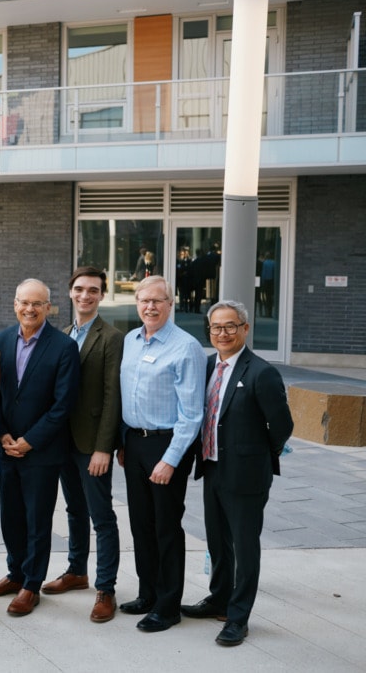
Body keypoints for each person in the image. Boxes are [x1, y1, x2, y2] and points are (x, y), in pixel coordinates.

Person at [181, 301, 294, 647]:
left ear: (245, 328)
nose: (223, 333)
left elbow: (282, 425)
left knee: (245, 549)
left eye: (230, 326)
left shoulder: (261, 372)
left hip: (246, 475)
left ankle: (238, 616)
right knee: (217, 541)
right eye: (216, 327)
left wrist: (258, 454)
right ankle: (219, 598)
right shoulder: (207, 365)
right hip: (212, 467)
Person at [0, 279, 79, 617]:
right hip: (8, 447)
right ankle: (16, 574)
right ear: (15, 304)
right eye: (24, 302)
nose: (30, 309)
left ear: (48, 307)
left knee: (37, 521)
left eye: (37, 303)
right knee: (11, 517)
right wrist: (2, 435)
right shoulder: (1, 340)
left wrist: (30, 440)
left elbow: (63, 405)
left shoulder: (64, 347)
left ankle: (31, 585)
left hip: (42, 451)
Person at [118, 275, 205, 633]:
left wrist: (170, 459)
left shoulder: (186, 347)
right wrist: (123, 443)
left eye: (158, 300)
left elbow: (192, 413)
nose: (150, 307)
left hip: (167, 443)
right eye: (144, 300)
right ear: (137, 303)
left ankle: (168, 606)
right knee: (141, 524)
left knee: (166, 527)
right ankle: (148, 593)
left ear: (170, 304)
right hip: (135, 442)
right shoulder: (130, 340)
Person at [40, 267, 123, 623]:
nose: (85, 295)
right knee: (74, 510)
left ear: (102, 295)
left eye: (93, 290)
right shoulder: (62, 334)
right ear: (70, 292)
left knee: (101, 516)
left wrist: (105, 447)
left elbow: (112, 396)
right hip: (63, 442)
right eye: (79, 289)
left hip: (92, 445)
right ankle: (77, 570)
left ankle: (106, 588)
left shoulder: (112, 338)